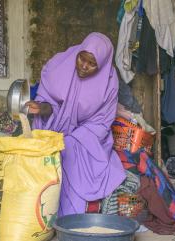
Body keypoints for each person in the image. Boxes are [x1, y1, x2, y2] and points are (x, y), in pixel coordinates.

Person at [25, 32, 126, 217]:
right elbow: (50, 104)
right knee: (46, 150)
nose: (84, 66)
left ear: (102, 65)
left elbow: (102, 123)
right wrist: (40, 108)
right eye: (82, 58)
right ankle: (42, 214)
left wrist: (73, 137)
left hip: (87, 135)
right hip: (54, 128)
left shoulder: (109, 83)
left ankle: (69, 218)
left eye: (92, 63)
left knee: (68, 150)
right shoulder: (59, 65)